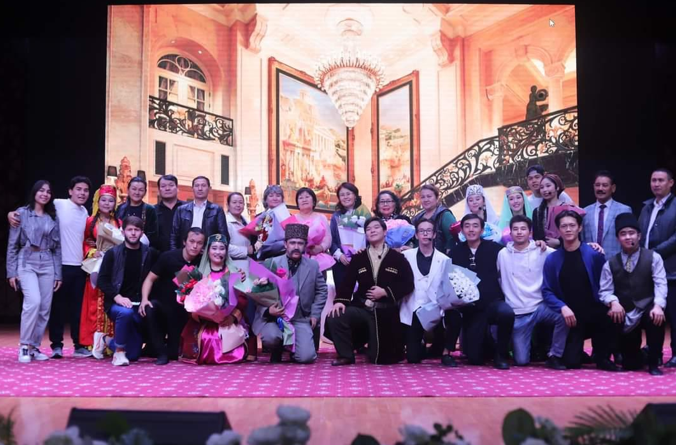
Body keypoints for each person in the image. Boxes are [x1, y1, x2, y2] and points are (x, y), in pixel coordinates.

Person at [9, 176, 92, 358]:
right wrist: (11, 213)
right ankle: (38, 346)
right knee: (40, 304)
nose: (82, 193)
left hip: (66, 264)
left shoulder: (80, 212)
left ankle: (38, 347)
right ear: (70, 191)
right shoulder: (56, 205)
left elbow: (65, 243)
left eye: (86, 190)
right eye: (78, 189)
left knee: (52, 308)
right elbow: (14, 241)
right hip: (42, 262)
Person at [325, 217, 415, 365]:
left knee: (380, 358)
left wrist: (386, 292)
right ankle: (346, 355)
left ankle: (374, 345)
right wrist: (340, 301)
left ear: (385, 232)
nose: (372, 231)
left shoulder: (398, 258)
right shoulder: (359, 257)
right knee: (336, 315)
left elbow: (408, 284)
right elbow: (347, 283)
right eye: (368, 229)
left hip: (386, 313)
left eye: (376, 227)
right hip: (363, 309)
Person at [542, 210, 620, 371]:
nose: (568, 229)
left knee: (610, 314)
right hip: (570, 316)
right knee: (572, 363)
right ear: (559, 230)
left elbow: (605, 284)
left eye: (572, 225)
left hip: (594, 312)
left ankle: (603, 356)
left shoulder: (594, 254)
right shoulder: (552, 259)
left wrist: (612, 302)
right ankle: (578, 352)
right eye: (564, 226)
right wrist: (562, 307)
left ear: (580, 228)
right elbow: (547, 291)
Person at [599, 213, 667, 375]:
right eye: (623, 234)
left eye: (631, 233)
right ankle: (626, 355)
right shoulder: (610, 263)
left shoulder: (653, 257)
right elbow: (605, 290)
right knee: (631, 364)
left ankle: (654, 361)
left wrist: (658, 305)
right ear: (618, 239)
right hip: (625, 310)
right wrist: (613, 302)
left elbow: (661, 284)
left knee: (656, 317)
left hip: (647, 307)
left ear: (639, 236)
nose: (628, 237)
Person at [497, 215, 567, 370]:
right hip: (517, 312)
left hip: (540, 307)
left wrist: (592, 246)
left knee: (564, 315)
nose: (519, 232)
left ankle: (555, 355)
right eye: (515, 229)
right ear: (510, 232)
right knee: (521, 361)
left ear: (530, 232)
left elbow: (566, 252)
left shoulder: (542, 250)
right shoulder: (502, 254)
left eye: (523, 229)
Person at [446, 214, 514, 369]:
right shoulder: (455, 253)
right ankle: (486, 342)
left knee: (506, 313)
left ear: (482, 230)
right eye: (467, 226)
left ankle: (501, 354)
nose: (471, 230)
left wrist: (538, 243)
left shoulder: (496, 249)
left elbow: (514, 254)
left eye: (475, 226)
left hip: (493, 303)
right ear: (462, 231)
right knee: (475, 358)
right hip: (471, 309)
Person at [252, 223, 328, 363]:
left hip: (301, 318)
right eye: (292, 243)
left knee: (306, 357)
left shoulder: (313, 266)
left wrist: (315, 314)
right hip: (275, 318)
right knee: (270, 338)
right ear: (285, 244)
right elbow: (257, 292)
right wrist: (268, 310)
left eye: (300, 243)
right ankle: (277, 348)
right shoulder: (271, 263)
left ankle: (294, 349)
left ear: (305, 245)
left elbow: (322, 290)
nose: (296, 246)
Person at [7, 180, 62, 363]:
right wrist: (11, 272)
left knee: (44, 308)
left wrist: (58, 274)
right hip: (26, 261)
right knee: (33, 302)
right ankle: (24, 345)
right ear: (34, 192)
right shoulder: (21, 213)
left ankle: (34, 347)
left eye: (48, 191)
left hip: (47, 262)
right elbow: (12, 245)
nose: (45, 194)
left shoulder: (52, 216)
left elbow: (57, 248)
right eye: (41, 190)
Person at [178, 233, 250, 365]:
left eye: (222, 248)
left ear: (226, 251)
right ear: (207, 251)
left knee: (223, 337)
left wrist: (232, 317)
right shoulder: (196, 273)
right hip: (203, 321)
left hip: (227, 321)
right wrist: (205, 315)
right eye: (214, 248)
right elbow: (186, 300)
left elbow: (242, 300)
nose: (218, 252)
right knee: (208, 337)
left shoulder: (235, 273)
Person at [95, 216, 158, 366]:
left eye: (137, 230)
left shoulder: (150, 253)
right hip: (117, 304)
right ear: (123, 232)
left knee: (134, 355)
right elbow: (102, 280)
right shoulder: (112, 253)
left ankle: (104, 339)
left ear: (142, 233)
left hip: (139, 304)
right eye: (130, 230)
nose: (133, 233)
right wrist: (117, 297)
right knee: (125, 312)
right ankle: (119, 353)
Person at [139, 228, 206, 365]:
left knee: (175, 354)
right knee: (150, 308)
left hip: (182, 312)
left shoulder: (203, 262)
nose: (195, 246)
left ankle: (160, 348)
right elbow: (149, 279)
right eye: (192, 241)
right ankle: (160, 353)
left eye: (199, 243)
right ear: (184, 242)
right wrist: (144, 299)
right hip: (162, 306)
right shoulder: (168, 257)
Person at [400, 218, 457, 366]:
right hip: (413, 307)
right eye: (422, 231)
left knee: (455, 315)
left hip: (436, 308)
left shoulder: (444, 259)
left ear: (434, 234)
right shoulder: (406, 256)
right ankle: (421, 344)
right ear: (416, 235)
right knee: (413, 358)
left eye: (429, 231)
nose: (425, 234)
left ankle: (445, 351)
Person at [638, 168, 676, 367]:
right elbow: (639, 234)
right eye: (653, 180)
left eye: (661, 180)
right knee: (654, 314)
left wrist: (654, 253)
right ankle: (655, 352)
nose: (656, 184)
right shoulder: (646, 207)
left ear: (671, 183)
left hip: (671, 270)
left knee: (674, 315)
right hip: (648, 270)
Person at [79, 185, 121, 350]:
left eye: (111, 200)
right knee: (93, 304)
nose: (107, 203)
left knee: (110, 303)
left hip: (112, 267)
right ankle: (92, 342)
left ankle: (109, 343)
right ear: (98, 201)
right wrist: (92, 251)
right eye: (103, 200)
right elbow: (84, 242)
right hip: (96, 266)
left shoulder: (118, 222)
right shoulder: (90, 221)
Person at [329, 182, 372, 290]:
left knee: (363, 293)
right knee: (343, 294)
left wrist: (363, 253)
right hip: (342, 262)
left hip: (363, 261)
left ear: (355, 196)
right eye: (342, 195)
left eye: (348, 194)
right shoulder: (336, 216)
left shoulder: (365, 214)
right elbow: (331, 239)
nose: (345, 197)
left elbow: (372, 237)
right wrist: (339, 255)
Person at [581, 170, 632, 258]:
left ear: (613, 188)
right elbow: (582, 240)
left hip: (616, 262)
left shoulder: (624, 210)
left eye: (605, 185)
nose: (600, 188)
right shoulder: (585, 212)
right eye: (597, 185)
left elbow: (629, 241)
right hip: (590, 262)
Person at [170, 176, 228, 250]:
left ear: (209, 188)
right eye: (197, 185)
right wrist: (175, 253)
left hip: (207, 252)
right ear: (192, 188)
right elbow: (174, 235)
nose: (200, 188)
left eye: (203, 185)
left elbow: (223, 235)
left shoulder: (217, 210)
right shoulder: (181, 210)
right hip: (184, 251)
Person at [532, 174, 585, 248]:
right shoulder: (537, 212)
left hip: (566, 250)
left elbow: (577, 234)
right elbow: (536, 236)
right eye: (542, 187)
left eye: (548, 186)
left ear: (557, 187)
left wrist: (559, 242)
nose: (545, 190)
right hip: (544, 250)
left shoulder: (568, 208)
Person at [288, 187, 334, 273]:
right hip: (297, 260)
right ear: (297, 203)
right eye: (301, 198)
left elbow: (328, 237)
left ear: (313, 201)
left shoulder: (321, 217)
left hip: (319, 259)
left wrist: (320, 247)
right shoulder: (292, 219)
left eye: (307, 197)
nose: (304, 200)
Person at [411, 184, 457, 256]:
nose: (426, 200)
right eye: (423, 197)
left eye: (429, 196)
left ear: (437, 198)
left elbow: (452, 238)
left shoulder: (444, 215)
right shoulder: (418, 218)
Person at [116, 176, 159, 248]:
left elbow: (152, 235)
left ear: (145, 192)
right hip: (121, 247)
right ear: (128, 190)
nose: (137, 192)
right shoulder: (120, 208)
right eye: (134, 189)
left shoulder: (149, 209)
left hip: (143, 249)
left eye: (141, 190)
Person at [254, 185, 289, 261]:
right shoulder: (259, 217)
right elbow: (256, 234)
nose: (275, 198)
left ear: (282, 199)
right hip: (264, 256)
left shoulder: (288, 216)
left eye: (278, 196)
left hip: (283, 255)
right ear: (265, 199)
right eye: (271, 196)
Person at [154, 175, 185, 253]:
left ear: (177, 188)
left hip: (185, 255)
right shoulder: (153, 210)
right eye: (163, 186)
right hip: (159, 255)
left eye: (171, 185)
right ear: (159, 190)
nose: (167, 188)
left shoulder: (187, 208)